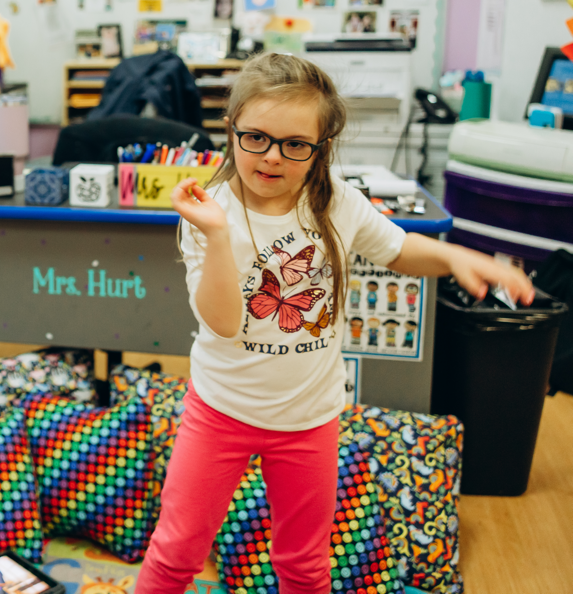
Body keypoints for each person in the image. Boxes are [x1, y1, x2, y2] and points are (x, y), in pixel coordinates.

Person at [135, 52, 531, 594]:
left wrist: (458, 257)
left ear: (321, 148)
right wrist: (219, 235)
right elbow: (224, 322)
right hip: (220, 412)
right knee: (176, 550)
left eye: (295, 144)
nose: (272, 156)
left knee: (305, 563)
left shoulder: (337, 202)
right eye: (256, 137)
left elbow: (399, 249)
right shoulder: (208, 212)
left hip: (309, 418)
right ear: (231, 130)